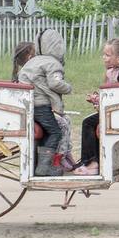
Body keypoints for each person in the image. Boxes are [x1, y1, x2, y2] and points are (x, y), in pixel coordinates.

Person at [75, 37, 119, 176]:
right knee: (90, 121)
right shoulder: (113, 71)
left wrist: (101, 100)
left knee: (88, 123)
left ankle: (92, 162)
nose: (104, 58)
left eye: (108, 55)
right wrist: (98, 99)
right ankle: (90, 161)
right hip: (112, 111)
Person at [17, 29, 73, 176]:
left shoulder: (33, 61)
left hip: (28, 106)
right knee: (56, 132)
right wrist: (68, 88)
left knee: (51, 130)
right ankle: (44, 167)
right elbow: (55, 83)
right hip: (41, 106)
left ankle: (44, 163)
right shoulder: (52, 63)